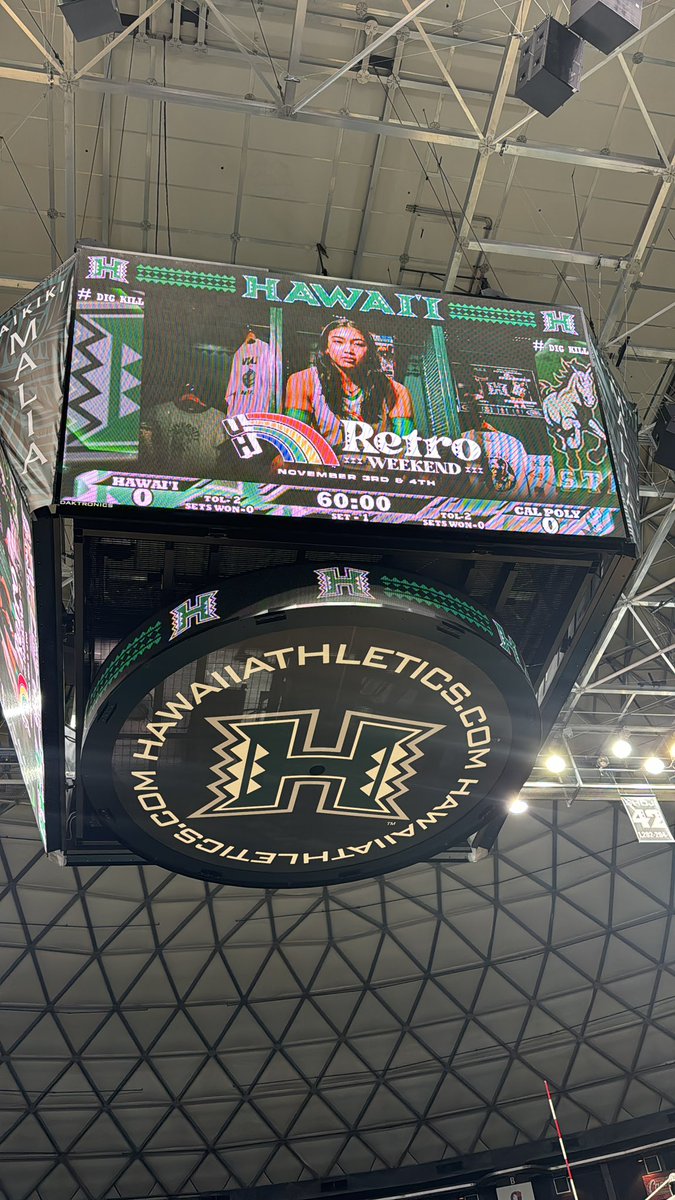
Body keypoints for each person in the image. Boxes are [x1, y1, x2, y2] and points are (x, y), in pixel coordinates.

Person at [284, 319, 413, 448]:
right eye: (338, 342)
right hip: (324, 464)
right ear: (326, 348)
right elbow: (295, 442)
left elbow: (407, 449)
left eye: (358, 344)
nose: (348, 350)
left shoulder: (396, 390)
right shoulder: (303, 380)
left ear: (368, 351)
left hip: (376, 465)